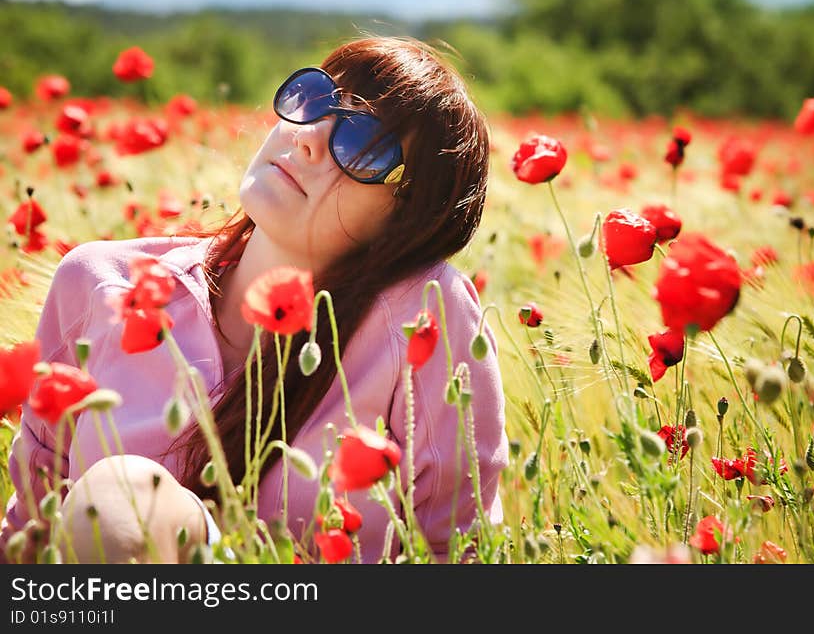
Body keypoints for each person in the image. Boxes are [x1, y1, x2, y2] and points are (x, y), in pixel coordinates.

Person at [0, 36, 508, 564]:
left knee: (123, 494)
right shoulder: (104, 285)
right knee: (119, 499)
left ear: (408, 218)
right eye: (314, 100)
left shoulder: (423, 321)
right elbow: (32, 529)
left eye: (362, 144)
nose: (308, 136)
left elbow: (458, 550)